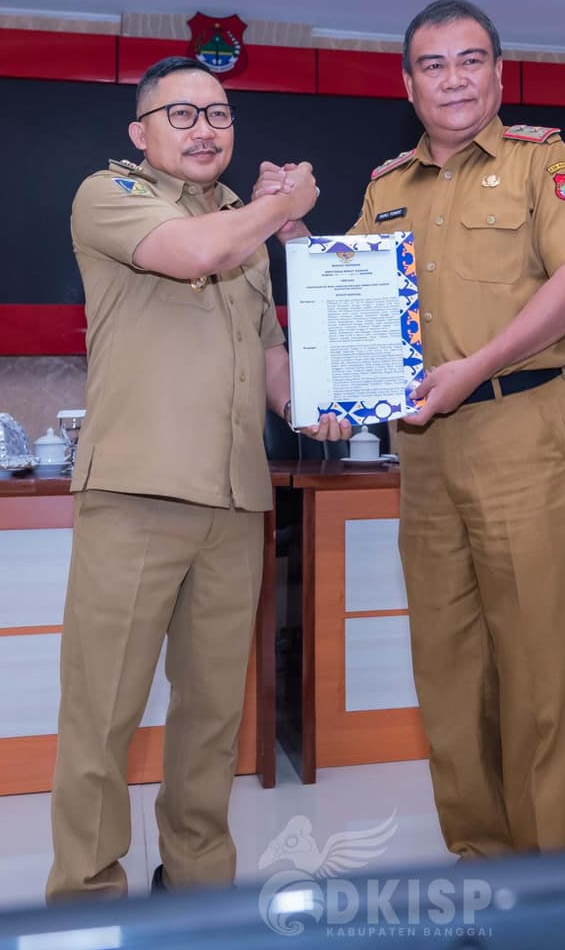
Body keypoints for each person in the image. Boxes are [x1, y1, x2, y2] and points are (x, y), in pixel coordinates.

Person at [285, 0, 565, 858]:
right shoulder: (387, 187)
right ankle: (480, 855)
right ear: (409, 84)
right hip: (424, 451)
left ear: (498, 73)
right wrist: (291, 234)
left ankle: (556, 877)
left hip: (522, 429)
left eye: (471, 61)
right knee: (449, 666)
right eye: (434, 65)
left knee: (537, 668)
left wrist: (475, 366)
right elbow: (346, 297)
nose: (454, 80)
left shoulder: (544, 161)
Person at [49, 55, 345, 900]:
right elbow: (190, 253)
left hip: (236, 498)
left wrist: (310, 404)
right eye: (181, 114)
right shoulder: (110, 194)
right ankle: (87, 896)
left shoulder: (241, 226)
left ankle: (198, 886)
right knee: (104, 711)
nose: (204, 128)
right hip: (137, 493)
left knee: (213, 715)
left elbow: (269, 350)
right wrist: (281, 208)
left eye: (218, 113)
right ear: (140, 132)